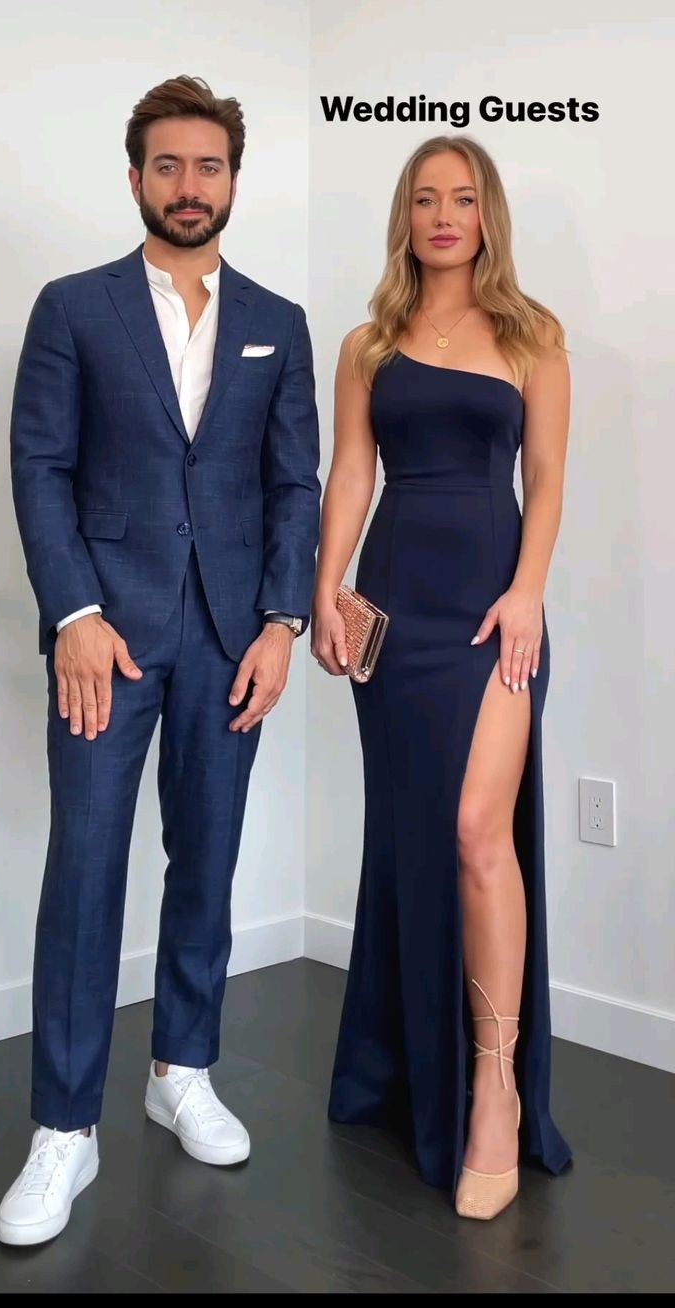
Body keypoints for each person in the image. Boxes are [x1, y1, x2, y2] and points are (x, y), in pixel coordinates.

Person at [0, 75, 320, 1246]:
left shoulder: (277, 322)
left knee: (210, 857)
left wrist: (283, 624)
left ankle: (180, 1066)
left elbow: (295, 484)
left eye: (211, 167)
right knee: (84, 867)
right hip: (108, 639)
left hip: (233, 640)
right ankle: (62, 1131)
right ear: (135, 177)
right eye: (170, 167)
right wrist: (74, 611)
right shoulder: (73, 308)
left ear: (235, 180)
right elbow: (39, 466)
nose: (191, 188)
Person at [312, 136, 572, 1220]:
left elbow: (548, 478)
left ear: (487, 213)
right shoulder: (369, 341)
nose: (443, 214)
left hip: (492, 615)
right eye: (425, 198)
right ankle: (415, 1065)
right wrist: (325, 590)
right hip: (396, 616)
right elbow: (352, 472)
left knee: (479, 833)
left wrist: (527, 591)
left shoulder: (532, 336)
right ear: (404, 217)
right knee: (420, 843)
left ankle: (496, 1092)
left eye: (461, 198)